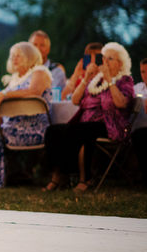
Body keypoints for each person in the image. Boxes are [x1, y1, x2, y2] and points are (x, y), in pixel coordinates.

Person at [43, 42, 135, 193]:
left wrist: (110, 81)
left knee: (82, 131)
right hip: (87, 124)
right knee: (53, 131)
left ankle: (85, 178)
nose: (104, 62)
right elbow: (75, 100)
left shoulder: (125, 81)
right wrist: (86, 78)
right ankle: (58, 175)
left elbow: (121, 103)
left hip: (111, 124)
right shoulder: (96, 80)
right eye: (103, 58)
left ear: (120, 63)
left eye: (110, 59)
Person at [0, 42, 52, 188]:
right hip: (12, 127)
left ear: (30, 56)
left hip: (35, 128)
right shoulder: (14, 79)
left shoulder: (39, 72)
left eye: (19, 56)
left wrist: (3, 94)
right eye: (12, 56)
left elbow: (34, 92)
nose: (14, 59)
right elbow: (2, 106)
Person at [131, 58, 147, 187]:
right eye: (142, 71)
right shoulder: (138, 88)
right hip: (137, 128)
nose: (145, 75)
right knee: (137, 135)